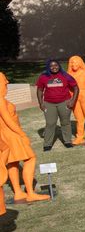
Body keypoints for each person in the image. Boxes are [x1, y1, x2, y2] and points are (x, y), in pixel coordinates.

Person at [1, 72, 50, 202]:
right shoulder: (0, 100)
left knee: (13, 162)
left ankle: (18, 192)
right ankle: (30, 193)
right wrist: (22, 135)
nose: (6, 82)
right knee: (30, 159)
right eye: (4, 80)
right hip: (11, 134)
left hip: (5, 134)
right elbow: (8, 120)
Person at [35, 59, 79, 151]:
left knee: (65, 122)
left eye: (56, 65)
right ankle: (47, 144)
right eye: (51, 66)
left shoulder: (65, 76)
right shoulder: (43, 77)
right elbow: (39, 90)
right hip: (49, 104)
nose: (54, 67)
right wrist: (41, 103)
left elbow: (76, 88)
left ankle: (67, 141)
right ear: (48, 67)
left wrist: (72, 101)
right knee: (50, 123)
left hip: (64, 102)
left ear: (59, 66)